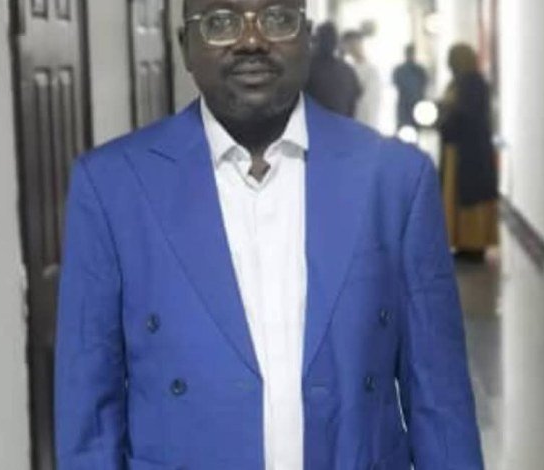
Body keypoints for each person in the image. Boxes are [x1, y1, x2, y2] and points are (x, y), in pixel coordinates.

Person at [54, 0, 484, 467]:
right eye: (221, 22)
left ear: (307, 36)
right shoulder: (113, 185)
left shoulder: (395, 179)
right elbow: (89, 412)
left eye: (277, 18)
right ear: (185, 47)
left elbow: (440, 398)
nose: (252, 40)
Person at [438, 43, 499, 262]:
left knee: (471, 198)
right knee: (460, 197)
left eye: (452, 59)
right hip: (460, 150)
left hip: (470, 152)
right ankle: (463, 242)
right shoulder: (461, 82)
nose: (449, 63)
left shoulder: (473, 84)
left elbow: (466, 114)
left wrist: (448, 113)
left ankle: (474, 244)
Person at [304, 22, 362, 117]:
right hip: (341, 123)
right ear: (336, 44)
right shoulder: (348, 71)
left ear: (316, 41)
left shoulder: (306, 68)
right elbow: (353, 104)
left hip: (313, 122)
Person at [342, 30, 382, 128]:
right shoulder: (348, 69)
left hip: (365, 124)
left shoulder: (371, 70)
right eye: (349, 45)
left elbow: (370, 103)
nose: (352, 48)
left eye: (354, 44)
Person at [392, 43, 428, 129]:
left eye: (411, 53)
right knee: (404, 128)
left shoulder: (419, 70)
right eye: (409, 53)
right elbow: (397, 84)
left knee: (415, 128)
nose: (410, 55)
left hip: (415, 104)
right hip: (405, 105)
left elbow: (424, 84)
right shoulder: (400, 70)